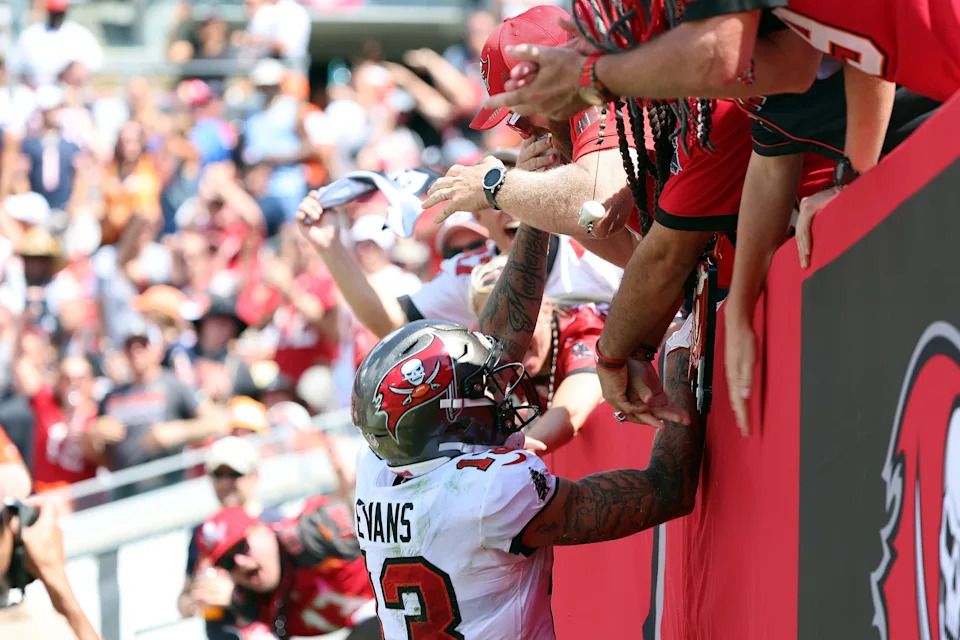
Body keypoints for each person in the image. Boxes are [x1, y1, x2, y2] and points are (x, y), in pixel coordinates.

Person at [302, 191, 700, 636]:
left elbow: (496, 343)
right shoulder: (489, 491)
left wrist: (535, 209)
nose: (493, 391)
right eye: (476, 389)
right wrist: (685, 351)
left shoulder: (378, 464)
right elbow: (668, 490)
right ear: (451, 417)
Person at [468, 255, 605, 454]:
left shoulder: (583, 328)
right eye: (497, 326)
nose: (509, 337)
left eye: (518, 319)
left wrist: (514, 456)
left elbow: (570, 413)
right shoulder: (482, 346)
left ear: (546, 309)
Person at [191, 497, 379, 639]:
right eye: (228, 562)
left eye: (242, 547)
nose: (240, 562)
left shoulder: (311, 533)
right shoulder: (244, 603)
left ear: (264, 530)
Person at [178, 436, 284, 640]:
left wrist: (236, 597)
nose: (225, 483)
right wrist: (192, 601)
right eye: (218, 474)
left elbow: (293, 595)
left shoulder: (275, 524)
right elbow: (183, 598)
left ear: (255, 475)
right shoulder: (204, 531)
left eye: (234, 473)